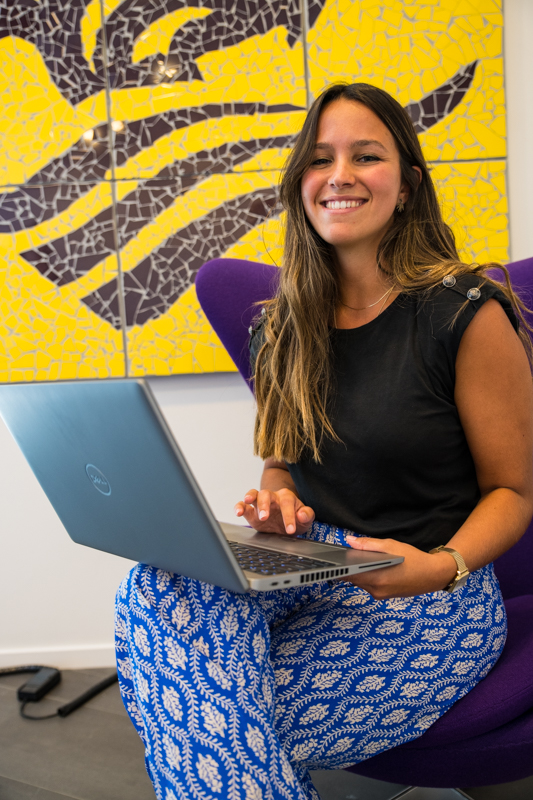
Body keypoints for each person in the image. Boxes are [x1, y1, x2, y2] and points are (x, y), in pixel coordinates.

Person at [115, 84, 533, 800]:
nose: (339, 174)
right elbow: (281, 464)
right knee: (155, 585)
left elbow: (513, 491)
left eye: (365, 156)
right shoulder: (279, 325)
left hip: (432, 593)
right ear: (300, 184)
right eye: (319, 159)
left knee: (190, 714)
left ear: (406, 185)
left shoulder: (465, 314)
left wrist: (442, 566)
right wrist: (277, 503)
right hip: (312, 564)